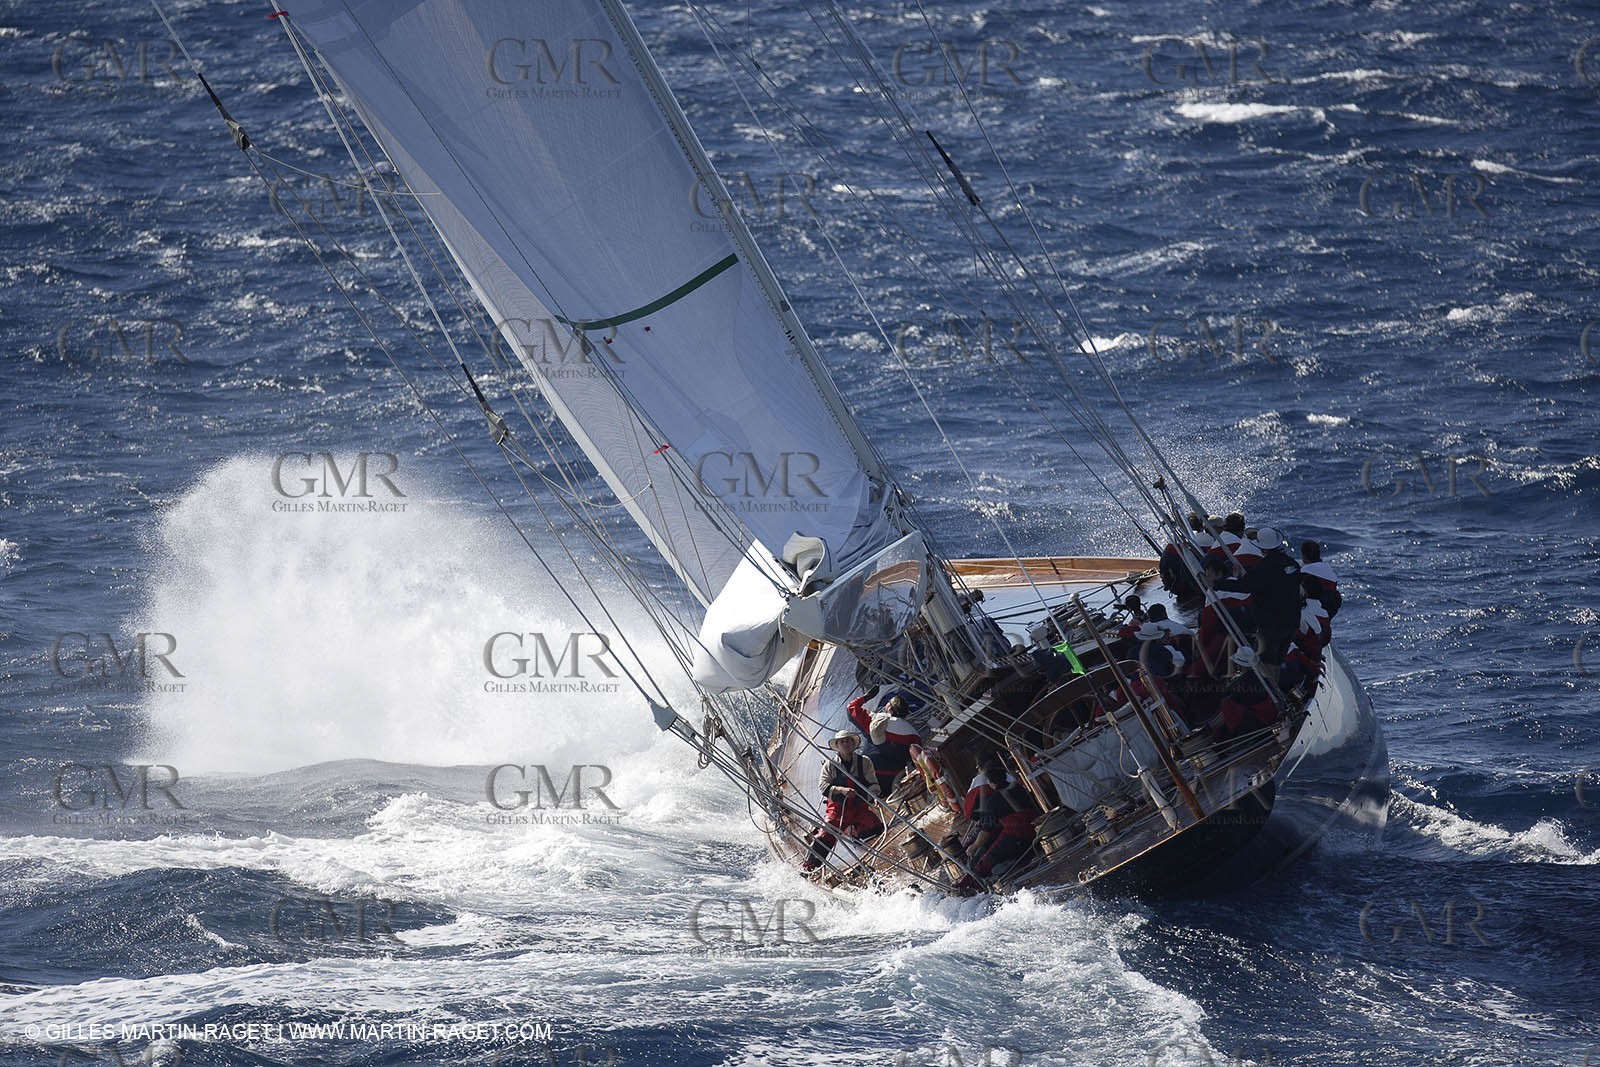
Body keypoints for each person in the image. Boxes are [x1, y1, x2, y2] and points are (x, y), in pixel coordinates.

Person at [1217, 526, 1301, 668]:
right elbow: (1272, 581)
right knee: (1277, 662)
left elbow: (1246, 587)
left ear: (1262, 547)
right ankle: (1275, 686)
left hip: (1272, 624)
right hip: (1292, 622)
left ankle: (1269, 688)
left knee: (1267, 663)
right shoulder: (1292, 564)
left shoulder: (1265, 567)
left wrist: (1216, 584)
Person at [803, 729, 881, 871]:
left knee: (876, 827)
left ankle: (860, 839)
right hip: (838, 809)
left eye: (849, 740)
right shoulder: (830, 765)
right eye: (842, 741)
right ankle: (810, 867)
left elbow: (874, 785)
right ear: (837, 745)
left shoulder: (865, 762)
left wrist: (866, 795)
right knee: (825, 835)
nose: (846, 743)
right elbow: (823, 787)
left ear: (853, 744)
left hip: (859, 806)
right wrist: (841, 790)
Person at [955, 753, 1038, 877]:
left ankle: (975, 882)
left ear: (991, 783)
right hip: (1035, 830)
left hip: (1016, 835)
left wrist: (974, 847)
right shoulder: (1019, 788)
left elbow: (986, 830)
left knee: (985, 861)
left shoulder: (993, 800)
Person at [849, 692, 921, 797]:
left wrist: (867, 696)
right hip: (895, 782)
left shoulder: (877, 721)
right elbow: (917, 759)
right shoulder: (914, 734)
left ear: (890, 707)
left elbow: (851, 709)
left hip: (869, 778)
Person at [1214, 647, 1279, 741]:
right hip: (1270, 711)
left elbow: (1234, 697)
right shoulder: (1261, 675)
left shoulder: (1241, 685)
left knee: (1226, 703)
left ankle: (1235, 734)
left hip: (1260, 718)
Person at [1300, 540, 1342, 618]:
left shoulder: (1304, 573)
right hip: (1329, 610)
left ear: (1304, 556)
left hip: (1313, 611)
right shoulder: (1329, 571)